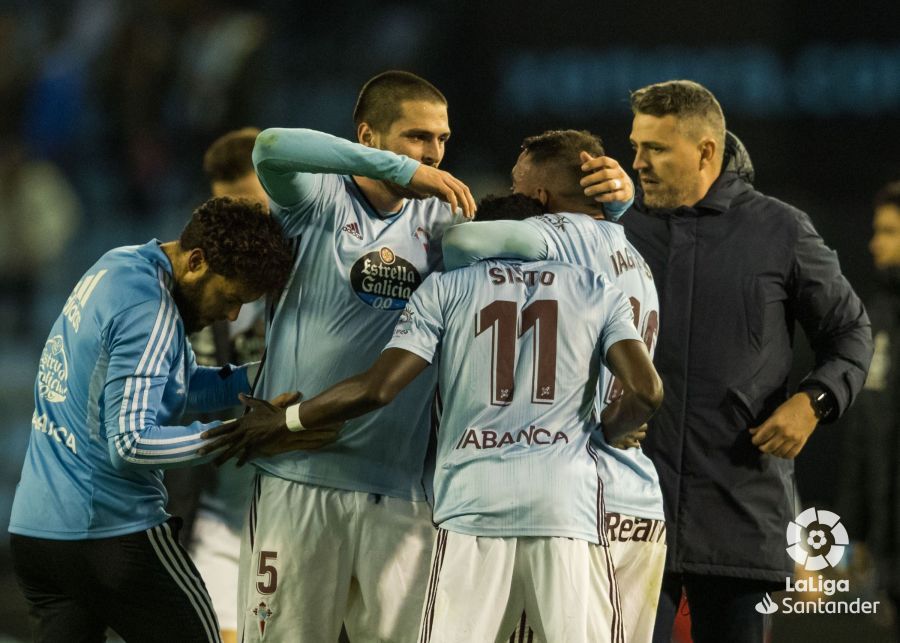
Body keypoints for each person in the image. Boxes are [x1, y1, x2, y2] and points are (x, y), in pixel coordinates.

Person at [206, 251, 664, 642]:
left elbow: (380, 386)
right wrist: (604, 432)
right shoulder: (592, 280)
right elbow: (647, 391)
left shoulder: (449, 282)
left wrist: (286, 420)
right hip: (566, 502)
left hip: (469, 500)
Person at [576, 79, 873, 643]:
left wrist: (814, 401)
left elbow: (850, 331)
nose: (637, 162)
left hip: (740, 512)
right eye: (635, 146)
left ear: (706, 151)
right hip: (627, 511)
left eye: (655, 149)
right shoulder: (616, 227)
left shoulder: (781, 229)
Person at [228, 70, 475, 643]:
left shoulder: (445, 224)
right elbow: (270, 146)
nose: (433, 154)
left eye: (441, 139)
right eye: (416, 137)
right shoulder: (315, 198)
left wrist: (617, 209)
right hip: (298, 476)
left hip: (402, 490)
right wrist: (403, 170)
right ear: (368, 136)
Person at [6, 197, 322, 642]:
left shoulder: (118, 266)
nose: (231, 315)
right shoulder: (150, 308)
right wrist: (238, 434)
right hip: (110, 535)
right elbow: (130, 444)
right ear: (196, 262)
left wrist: (263, 376)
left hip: (39, 536)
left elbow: (174, 385)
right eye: (230, 298)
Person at [441, 129, 665, 643]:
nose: (517, 197)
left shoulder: (562, 234)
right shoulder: (635, 256)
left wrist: (609, 426)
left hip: (581, 492)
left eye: (521, 188)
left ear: (541, 199)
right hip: (639, 500)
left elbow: (461, 242)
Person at [181, 128, 270, 643]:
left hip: (303, 504)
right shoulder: (195, 288)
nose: (242, 226)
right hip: (219, 510)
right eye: (227, 209)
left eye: (256, 206)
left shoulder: (325, 279)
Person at [837, 179, 900, 614]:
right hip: (889, 540)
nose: (875, 243)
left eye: (890, 232)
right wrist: (856, 528)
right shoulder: (877, 318)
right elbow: (865, 430)